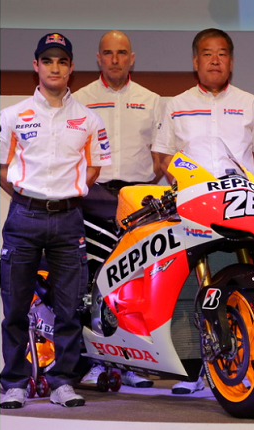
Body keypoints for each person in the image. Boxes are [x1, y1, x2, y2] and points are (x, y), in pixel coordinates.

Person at [153, 28, 254, 394]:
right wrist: (185, 188)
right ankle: (195, 372)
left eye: (222, 54)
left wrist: (246, 188)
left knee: (237, 286)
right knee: (192, 288)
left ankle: (235, 368)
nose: (215, 60)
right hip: (190, 210)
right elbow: (162, 156)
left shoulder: (250, 102)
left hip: (239, 209)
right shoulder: (175, 104)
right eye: (207, 54)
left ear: (231, 62)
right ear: (195, 61)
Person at [0, 33, 111, 409]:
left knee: (70, 307)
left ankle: (62, 381)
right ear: (36, 66)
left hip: (68, 220)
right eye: (47, 60)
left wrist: (64, 194)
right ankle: (14, 382)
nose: (55, 67)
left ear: (71, 67)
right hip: (23, 217)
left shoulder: (89, 119)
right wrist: (29, 196)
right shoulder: (11, 116)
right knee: (15, 306)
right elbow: (2, 169)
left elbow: (93, 168)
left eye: (62, 61)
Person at [73, 30, 162, 390]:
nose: (115, 59)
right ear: (98, 58)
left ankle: (131, 363)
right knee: (93, 279)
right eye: (108, 53)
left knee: (134, 282)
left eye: (122, 53)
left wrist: (144, 190)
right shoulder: (80, 99)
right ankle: (94, 361)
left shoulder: (151, 100)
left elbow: (160, 156)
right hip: (93, 196)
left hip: (137, 200)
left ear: (132, 58)